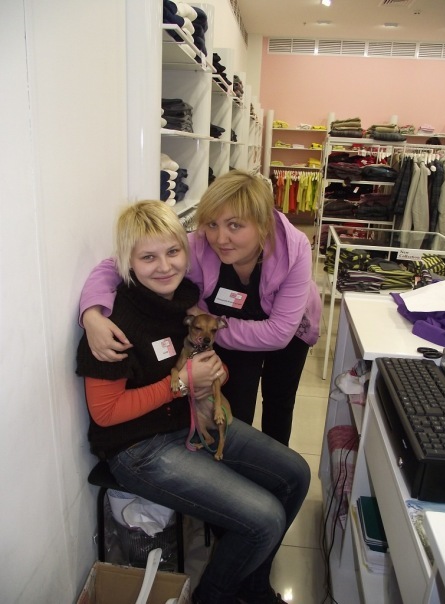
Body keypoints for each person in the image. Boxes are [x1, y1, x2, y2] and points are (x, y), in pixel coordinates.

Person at [76, 200, 311, 604]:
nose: (165, 266)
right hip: (139, 449)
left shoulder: (183, 301)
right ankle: (213, 597)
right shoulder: (112, 324)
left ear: (187, 250)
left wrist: (214, 373)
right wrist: (181, 384)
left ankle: (251, 585)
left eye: (173, 251)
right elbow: (106, 413)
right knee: (265, 519)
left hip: (189, 422)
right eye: (148, 257)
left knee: (296, 473)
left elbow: (203, 361)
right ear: (127, 262)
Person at [79, 170, 322, 445]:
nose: (220, 238)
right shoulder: (197, 244)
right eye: (212, 224)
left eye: (235, 226)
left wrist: (211, 326)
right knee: (237, 400)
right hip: (227, 326)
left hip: (289, 326)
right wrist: (91, 314)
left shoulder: (294, 249)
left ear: (263, 224)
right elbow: (116, 264)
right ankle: (238, 457)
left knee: (280, 400)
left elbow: (279, 334)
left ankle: (274, 460)